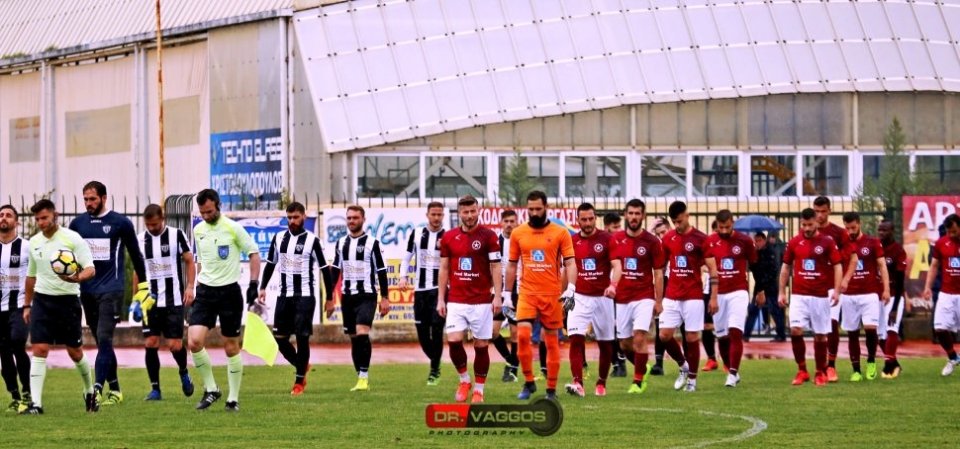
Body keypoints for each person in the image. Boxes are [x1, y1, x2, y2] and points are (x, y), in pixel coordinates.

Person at [69, 181, 148, 406]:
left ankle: (96, 389)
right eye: (86, 199)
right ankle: (115, 389)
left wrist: (143, 287)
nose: (88, 203)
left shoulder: (120, 223)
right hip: (87, 290)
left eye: (92, 199)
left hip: (112, 290)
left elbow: (136, 255)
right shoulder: (77, 224)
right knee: (102, 342)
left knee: (104, 337)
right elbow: (69, 256)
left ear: (104, 198)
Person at [20, 199, 98, 415]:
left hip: (68, 301)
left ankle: (89, 391)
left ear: (55, 215)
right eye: (37, 219)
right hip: (42, 301)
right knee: (39, 349)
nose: (41, 223)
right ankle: (36, 404)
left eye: (44, 218)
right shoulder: (34, 242)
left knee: (75, 352)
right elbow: (31, 276)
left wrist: (77, 278)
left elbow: (90, 269)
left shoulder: (72, 239)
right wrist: (27, 305)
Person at [188, 189, 261, 412]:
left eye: (209, 211)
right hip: (205, 292)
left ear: (218, 205)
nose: (206, 216)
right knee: (194, 341)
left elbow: (254, 253)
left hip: (229, 293)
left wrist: (253, 283)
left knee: (230, 346)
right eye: (202, 212)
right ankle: (212, 389)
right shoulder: (198, 230)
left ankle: (233, 399)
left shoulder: (233, 227)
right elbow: (200, 260)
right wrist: (195, 285)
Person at [506, 191, 576, 401]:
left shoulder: (560, 233)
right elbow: (511, 265)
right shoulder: (518, 233)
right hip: (527, 293)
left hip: (552, 294)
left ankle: (551, 390)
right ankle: (529, 382)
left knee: (552, 342)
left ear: (546, 207)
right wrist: (507, 295)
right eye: (531, 209)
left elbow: (570, 263)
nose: (534, 213)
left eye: (538, 209)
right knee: (522, 336)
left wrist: (571, 288)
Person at [259, 202, 332, 396]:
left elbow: (325, 270)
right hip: (284, 296)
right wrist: (262, 287)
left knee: (302, 337)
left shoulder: (312, 241)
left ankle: (299, 382)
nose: (292, 221)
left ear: (304, 217)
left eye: (296, 217)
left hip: (305, 296)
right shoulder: (279, 238)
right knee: (280, 338)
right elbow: (270, 264)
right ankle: (302, 365)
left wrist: (330, 298)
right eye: (289, 217)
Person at [436, 195, 502, 403]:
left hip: (482, 300)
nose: (470, 215)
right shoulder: (449, 237)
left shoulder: (489, 236)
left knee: (481, 345)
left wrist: (497, 296)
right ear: (459, 213)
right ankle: (464, 380)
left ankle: (479, 390)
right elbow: (444, 268)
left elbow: (496, 266)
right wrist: (441, 299)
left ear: (478, 210)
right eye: (466, 212)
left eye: (473, 211)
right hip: (456, 300)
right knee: (454, 341)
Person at [327, 205, 390, 392]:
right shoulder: (341, 243)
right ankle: (360, 377)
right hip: (347, 297)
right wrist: (330, 297)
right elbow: (335, 270)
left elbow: (381, 271)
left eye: (355, 218)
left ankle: (363, 377)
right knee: (354, 338)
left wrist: (385, 298)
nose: (352, 221)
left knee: (362, 333)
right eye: (349, 218)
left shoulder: (373, 243)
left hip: (367, 295)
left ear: (363, 219)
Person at [136, 204, 196, 400]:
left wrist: (190, 287)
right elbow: (138, 271)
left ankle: (183, 371)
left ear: (162, 219)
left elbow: (189, 260)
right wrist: (137, 298)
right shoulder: (140, 239)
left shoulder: (176, 235)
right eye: (148, 225)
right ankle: (155, 389)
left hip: (173, 300)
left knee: (174, 345)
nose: (151, 228)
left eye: (154, 224)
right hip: (150, 301)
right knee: (151, 342)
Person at [779, 208, 843, 387]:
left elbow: (838, 266)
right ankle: (802, 370)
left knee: (821, 336)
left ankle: (820, 372)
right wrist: (781, 291)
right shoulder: (794, 242)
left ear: (816, 222)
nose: (806, 228)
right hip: (799, 295)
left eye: (810, 224)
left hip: (820, 296)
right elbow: (786, 267)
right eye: (804, 224)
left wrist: (837, 290)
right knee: (795, 330)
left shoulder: (827, 241)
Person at [609, 199, 665, 395]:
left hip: (644, 296)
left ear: (643, 216)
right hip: (622, 297)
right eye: (631, 213)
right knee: (625, 344)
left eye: (637, 213)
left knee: (639, 337)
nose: (633, 217)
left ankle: (638, 381)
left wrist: (658, 301)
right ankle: (643, 367)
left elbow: (658, 273)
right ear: (626, 215)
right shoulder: (616, 239)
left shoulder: (652, 242)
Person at [659, 201, 713, 392]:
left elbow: (712, 267)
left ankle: (692, 380)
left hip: (693, 295)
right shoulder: (668, 238)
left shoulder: (701, 238)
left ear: (687, 215)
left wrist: (714, 294)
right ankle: (683, 365)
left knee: (691, 338)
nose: (677, 225)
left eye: (679, 221)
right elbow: (660, 267)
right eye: (674, 222)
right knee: (664, 335)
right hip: (672, 294)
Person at [565, 203, 616, 397]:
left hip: (603, 298)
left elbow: (616, 265)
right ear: (577, 220)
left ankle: (601, 382)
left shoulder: (607, 239)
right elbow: (566, 269)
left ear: (595, 218)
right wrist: (564, 294)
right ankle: (578, 383)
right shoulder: (571, 241)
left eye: (590, 219)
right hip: (579, 297)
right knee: (575, 339)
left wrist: (613, 285)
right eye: (583, 219)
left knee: (605, 343)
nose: (587, 223)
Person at [705, 210, 757, 387]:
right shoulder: (710, 241)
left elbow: (755, 265)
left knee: (735, 332)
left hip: (738, 291)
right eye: (721, 227)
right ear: (717, 226)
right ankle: (730, 368)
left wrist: (761, 290)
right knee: (722, 336)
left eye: (727, 227)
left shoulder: (745, 241)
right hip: (717, 293)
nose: (724, 231)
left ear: (732, 223)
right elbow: (703, 265)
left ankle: (733, 373)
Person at [398, 202, 446, 386]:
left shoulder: (448, 236)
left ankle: (434, 370)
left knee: (437, 329)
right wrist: (403, 276)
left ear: (443, 216)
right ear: (427, 215)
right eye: (433, 214)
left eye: (439, 214)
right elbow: (406, 257)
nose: (436, 218)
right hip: (420, 291)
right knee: (423, 334)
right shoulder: (417, 233)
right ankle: (436, 361)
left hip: (440, 291)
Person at [839, 212, 890, 382]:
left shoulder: (872, 242)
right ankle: (856, 370)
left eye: (853, 227)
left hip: (869, 293)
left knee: (870, 329)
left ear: (859, 224)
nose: (850, 231)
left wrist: (886, 289)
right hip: (849, 295)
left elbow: (882, 266)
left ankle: (871, 362)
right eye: (847, 228)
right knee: (852, 333)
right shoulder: (842, 244)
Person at [812, 196, 857, 383]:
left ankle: (831, 366)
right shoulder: (808, 232)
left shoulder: (838, 233)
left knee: (831, 324)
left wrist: (845, 279)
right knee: (818, 328)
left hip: (833, 286)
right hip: (814, 288)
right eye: (817, 211)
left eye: (823, 211)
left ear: (829, 211)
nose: (820, 215)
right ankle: (820, 367)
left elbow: (853, 258)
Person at [0, 205, 31, 411]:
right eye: (1, 215)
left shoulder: (27, 247)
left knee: (18, 343)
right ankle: (15, 395)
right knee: (3, 351)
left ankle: (27, 390)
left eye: (8, 215)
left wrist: (29, 304)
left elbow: (34, 276)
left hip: (20, 306)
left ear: (16, 222)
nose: (4, 218)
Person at [923, 214, 960, 377]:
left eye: (954, 231)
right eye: (948, 232)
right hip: (946, 293)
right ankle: (953, 357)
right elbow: (934, 266)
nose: (950, 235)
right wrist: (927, 287)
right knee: (939, 328)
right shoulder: (941, 243)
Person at [877, 220, 908, 378]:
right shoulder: (876, 247)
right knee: (879, 335)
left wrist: (895, 307)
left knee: (891, 329)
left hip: (894, 296)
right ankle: (894, 362)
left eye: (885, 230)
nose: (881, 233)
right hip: (877, 296)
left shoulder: (898, 250)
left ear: (892, 231)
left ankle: (888, 366)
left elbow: (901, 280)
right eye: (880, 230)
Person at [493, 210, 520, 382]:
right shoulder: (495, 241)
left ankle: (513, 370)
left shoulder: (522, 240)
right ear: (501, 222)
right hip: (499, 293)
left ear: (517, 222)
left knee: (515, 333)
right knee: (492, 332)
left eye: (512, 221)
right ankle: (511, 360)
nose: (509, 224)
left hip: (517, 292)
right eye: (506, 221)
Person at [746, 232, 786, 342]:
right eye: (755, 241)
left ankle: (781, 334)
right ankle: (746, 334)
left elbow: (774, 270)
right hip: (759, 286)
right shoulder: (755, 253)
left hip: (770, 286)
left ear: (764, 240)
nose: (757, 243)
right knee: (753, 310)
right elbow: (753, 268)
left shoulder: (770, 252)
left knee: (775, 310)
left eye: (759, 241)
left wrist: (764, 284)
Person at [603, 212, 627, 379]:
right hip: (606, 291)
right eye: (615, 227)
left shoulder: (624, 242)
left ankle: (621, 362)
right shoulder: (602, 243)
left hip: (622, 290)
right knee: (608, 329)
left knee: (620, 328)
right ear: (607, 227)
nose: (619, 230)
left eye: (619, 226)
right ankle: (616, 364)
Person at [650, 217, 672, 376]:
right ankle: (659, 363)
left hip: (680, 286)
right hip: (664, 284)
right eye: (658, 234)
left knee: (685, 327)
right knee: (660, 324)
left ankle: (687, 363)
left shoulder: (679, 243)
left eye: (664, 232)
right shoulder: (658, 248)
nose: (661, 236)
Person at [701, 220, 720, 372]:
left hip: (728, 290)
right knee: (706, 325)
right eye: (716, 230)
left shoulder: (731, 245)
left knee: (727, 328)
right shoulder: (707, 244)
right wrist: (709, 268)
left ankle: (728, 361)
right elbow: (701, 264)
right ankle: (711, 359)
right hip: (709, 290)